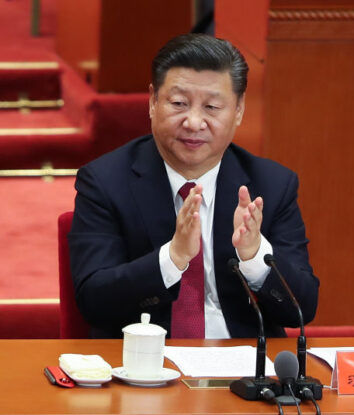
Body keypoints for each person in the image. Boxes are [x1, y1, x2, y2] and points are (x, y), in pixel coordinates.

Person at [69, 34, 319, 338]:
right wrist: (172, 258)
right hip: (146, 362)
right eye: (179, 103)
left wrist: (255, 256)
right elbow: (93, 300)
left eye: (212, 107)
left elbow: (301, 309)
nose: (194, 122)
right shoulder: (105, 181)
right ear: (153, 102)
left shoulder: (272, 184)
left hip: (242, 365)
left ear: (238, 110)